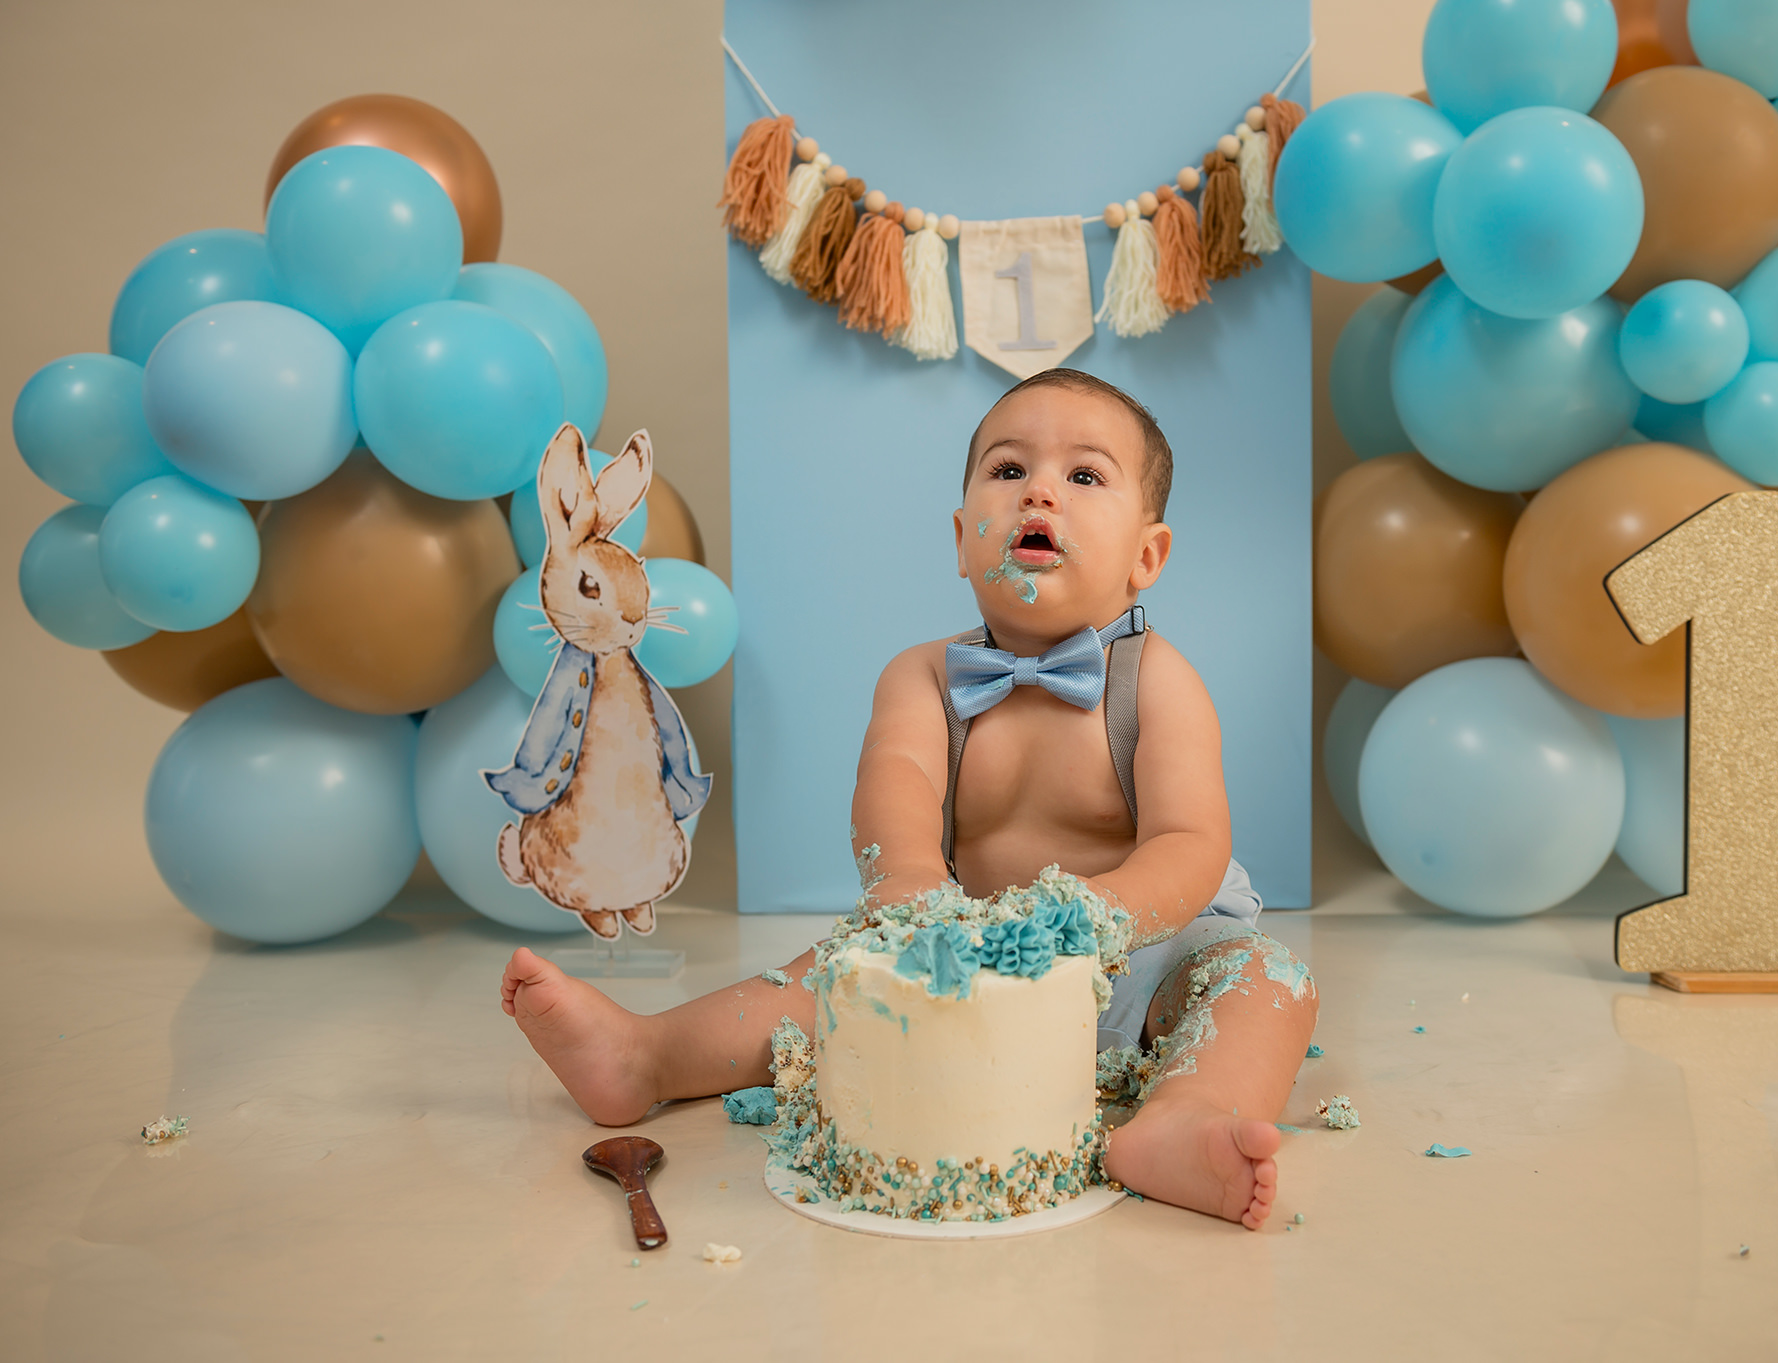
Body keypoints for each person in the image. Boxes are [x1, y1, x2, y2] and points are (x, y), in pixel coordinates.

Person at [500, 368, 1317, 1229]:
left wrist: (1091, 918)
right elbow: (896, 784)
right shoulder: (924, 676)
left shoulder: (1156, 680)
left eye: (1084, 475)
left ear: (1146, 557)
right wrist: (910, 888)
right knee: (824, 980)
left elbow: (1190, 842)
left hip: (1146, 951)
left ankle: (1186, 1114)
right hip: (965, 947)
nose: (1039, 490)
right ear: (963, 540)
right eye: (1009, 469)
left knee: (1265, 980)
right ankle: (648, 1055)